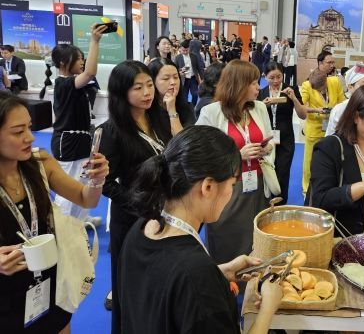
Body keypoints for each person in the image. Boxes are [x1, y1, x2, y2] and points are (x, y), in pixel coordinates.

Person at [118, 126, 281, 333]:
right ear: (208, 187)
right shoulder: (196, 274)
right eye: (232, 184)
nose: (231, 192)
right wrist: (268, 308)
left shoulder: (143, 227)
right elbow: (190, 282)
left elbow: (162, 286)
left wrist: (218, 273)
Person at [0, 91, 109, 333]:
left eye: (29, 127)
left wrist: (97, 180)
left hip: (50, 279)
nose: (30, 137)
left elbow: (86, 199)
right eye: (18, 132)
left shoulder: (40, 163)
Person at [99, 61, 173, 334]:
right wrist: (137, 203)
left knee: (160, 280)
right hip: (132, 218)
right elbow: (105, 183)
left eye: (149, 85)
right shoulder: (112, 131)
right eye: (138, 87)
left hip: (165, 211)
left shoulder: (159, 117)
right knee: (130, 287)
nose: (147, 92)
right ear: (122, 92)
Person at [196, 60, 278, 264]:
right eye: (254, 83)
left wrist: (266, 148)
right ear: (239, 85)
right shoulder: (211, 112)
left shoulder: (259, 108)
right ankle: (226, 279)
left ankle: (252, 280)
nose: (259, 87)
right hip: (228, 189)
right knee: (227, 241)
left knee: (256, 239)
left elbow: (270, 138)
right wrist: (237, 155)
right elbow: (201, 155)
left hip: (258, 185)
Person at [310, 84, 364, 235]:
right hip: (349, 238)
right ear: (356, 117)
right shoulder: (330, 148)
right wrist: (363, 187)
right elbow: (321, 199)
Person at [49, 24, 108, 222]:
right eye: (79, 58)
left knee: (84, 182)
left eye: (83, 58)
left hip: (81, 141)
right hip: (67, 143)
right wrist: (95, 41)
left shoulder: (74, 84)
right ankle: (63, 228)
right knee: (68, 189)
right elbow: (90, 73)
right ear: (64, 62)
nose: (82, 62)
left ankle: (80, 221)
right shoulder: (63, 84)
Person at [258, 62, 307, 203]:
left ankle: (280, 205)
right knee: (267, 171)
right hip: (266, 139)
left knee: (283, 173)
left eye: (279, 77)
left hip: (286, 139)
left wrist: (294, 98)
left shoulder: (290, 89)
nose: (276, 81)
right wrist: (262, 106)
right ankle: (266, 204)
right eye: (271, 77)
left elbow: (303, 115)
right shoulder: (261, 93)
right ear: (265, 77)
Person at [300, 68, 345, 195]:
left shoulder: (335, 81)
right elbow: (301, 107)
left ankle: (330, 185)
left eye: (319, 88)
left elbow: (342, 102)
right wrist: (317, 110)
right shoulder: (306, 85)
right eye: (315, 89)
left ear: (325, 81)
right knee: (309, 161)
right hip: (314, 129)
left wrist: (334, 111)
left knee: (331, 160)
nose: (318, 90)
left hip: (333, 128)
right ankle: (306, 188)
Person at [148, 58, 195, 134]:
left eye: (176, 77)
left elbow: (185, 140)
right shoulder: (146, 110)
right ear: (152, 81)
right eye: (166, 78)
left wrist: (172, 110)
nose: (173, 82)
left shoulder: (186, 107)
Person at [174, 39, 202, 105]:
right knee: (184, 96)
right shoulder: (178, 58)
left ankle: (193, 106)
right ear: (180, 49)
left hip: (193, 78)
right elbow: (175, 69)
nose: (185, 52)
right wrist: (180, 70)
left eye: (186, 50)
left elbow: (199, 68)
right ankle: (186, 108)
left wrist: (202, 78)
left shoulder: (194, 56)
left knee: (195, 94)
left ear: (189, 48)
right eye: (183, 50)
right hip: (184, 79)